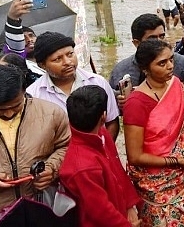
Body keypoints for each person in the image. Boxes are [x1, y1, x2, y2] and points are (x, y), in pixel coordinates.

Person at [124, 39, 184, 226]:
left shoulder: (177, 85)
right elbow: (135, 156)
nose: (170, 66)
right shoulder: (136, 104)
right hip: (157, 185)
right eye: (161, 63)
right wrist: (178, 161)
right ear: (145, 68)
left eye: (171, 59)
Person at [0, 65, 70, 225]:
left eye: (15, 106)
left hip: (42, 207)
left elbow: (68, 146)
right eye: (0, 109)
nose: (9, 113)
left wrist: (51, 169)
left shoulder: (51, 114)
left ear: (24, 92)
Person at [60, 85, 141, 227]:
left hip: (118, 209)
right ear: (103, 116)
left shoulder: (102, 134)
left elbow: (117, 167)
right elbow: (100, 210)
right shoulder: (83, 167)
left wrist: (129, 205)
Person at [26, 32, 120, 140]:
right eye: (58, 59)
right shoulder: (33, 96)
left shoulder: (98, 83)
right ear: (42, 65)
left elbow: (112, 121)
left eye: (70, 54)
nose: (67, 62)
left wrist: (103, 150)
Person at [109, 13, 184, 94]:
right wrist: (119, 101)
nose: (159, 42)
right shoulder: (119, 71)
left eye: (162, 36)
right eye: (152, 38)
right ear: (137, 43)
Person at [3, 0, 45, 76]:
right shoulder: (18, 67)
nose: (29, 40)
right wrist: (13, 18)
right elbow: (16, 47)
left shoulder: (49, 60)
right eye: (23, 37)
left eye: (31, 35)